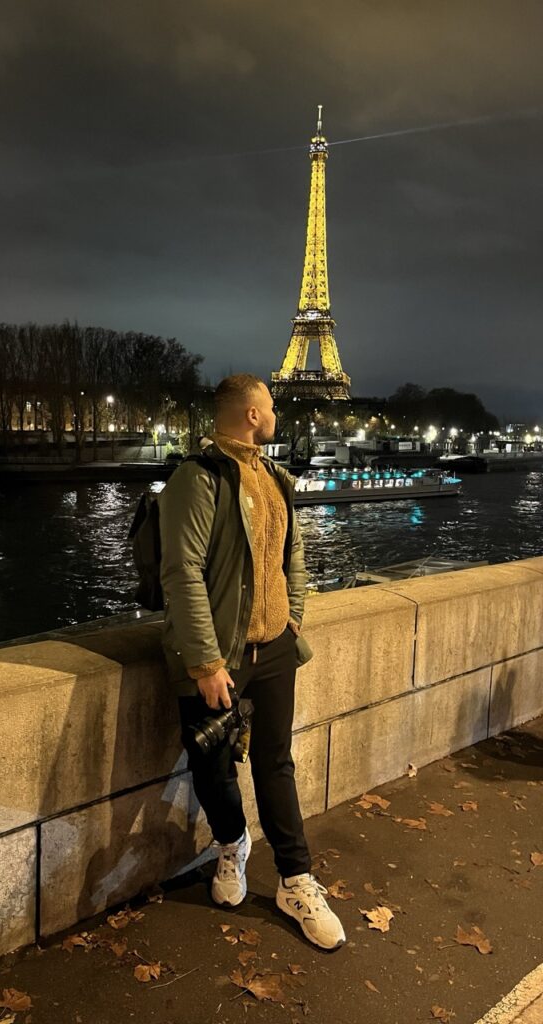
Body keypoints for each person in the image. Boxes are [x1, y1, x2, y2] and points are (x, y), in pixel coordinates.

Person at [159, 374, 345, 951]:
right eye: (269, 406)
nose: (275, 415)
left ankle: (295, 879)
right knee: (212, 766)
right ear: (251, 413)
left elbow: (294, 554)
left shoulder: (276, 478)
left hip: (276, 647)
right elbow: (181, 572)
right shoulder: (197, 479)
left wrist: (294, 617)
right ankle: (232, 842)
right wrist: (206, 661)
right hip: (220, 656)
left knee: (275, 762)